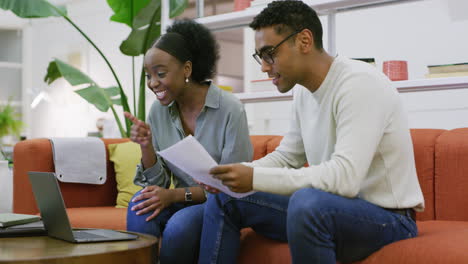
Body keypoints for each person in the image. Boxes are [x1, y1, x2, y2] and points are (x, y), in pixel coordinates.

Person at [198, 1, 424, 263]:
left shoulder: (359, 84)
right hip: (331, 209)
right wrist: (233, 175)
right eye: (260, 57)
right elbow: (286, 158)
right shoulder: (303, 92)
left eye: (269, 53)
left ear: (304, 40)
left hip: (389, 218)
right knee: (227, 198)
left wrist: (254, 178)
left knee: (308, 203)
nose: (264, 66)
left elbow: (345, 178)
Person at [125, 19, 253, 264]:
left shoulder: (230, 109)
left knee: (179, 227)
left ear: (187, 69)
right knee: (138, 205)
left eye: (160, 74)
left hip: (217, 204)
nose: (152, 83)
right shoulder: (158, 111)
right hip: (180, 200)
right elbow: (159, 182)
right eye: (148, 76)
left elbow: (232, 190)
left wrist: (173, 196)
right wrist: (146, 146)